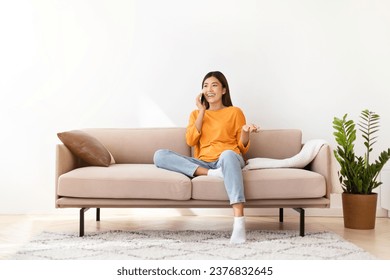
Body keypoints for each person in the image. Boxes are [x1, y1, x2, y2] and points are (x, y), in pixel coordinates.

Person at [153, 71, 259, 244]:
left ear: (224, 90)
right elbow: (190, 140)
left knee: (227, 154)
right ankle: (212, 174)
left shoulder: (235, 112)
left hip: (228, 158)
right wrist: (202, 111)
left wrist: (246, 133)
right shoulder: (196, 115)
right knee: (160, 155)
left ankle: (239, 222)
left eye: (214, 85)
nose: (209, 89)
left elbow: (241, 147)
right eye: (205, 85)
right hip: (204, 162)